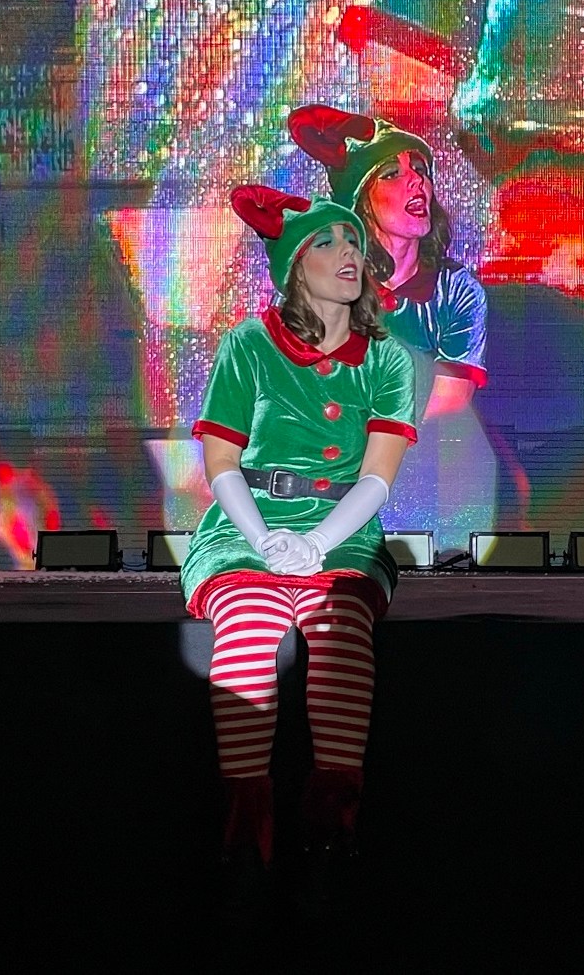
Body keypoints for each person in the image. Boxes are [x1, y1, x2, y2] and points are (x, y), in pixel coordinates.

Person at [179, 185, 416, 881]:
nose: (349, 253)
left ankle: (331, 827)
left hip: (342, 532)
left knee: (340, 633)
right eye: (328, 242)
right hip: (246, 526)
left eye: (354, 242)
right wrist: (262, 541)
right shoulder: (248, 344)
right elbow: (221, 463)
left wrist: (317, 545)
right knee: (249, 630)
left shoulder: (388, 359)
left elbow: (378, 478)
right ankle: (245, 831)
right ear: (293, 266)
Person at [287, 104, 493, 551]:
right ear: (360, 200)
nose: (417, 181)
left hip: (426, 486)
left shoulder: (456, 290)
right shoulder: (318, 287)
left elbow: (446, 404)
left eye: (420, 169)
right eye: (392, 174)